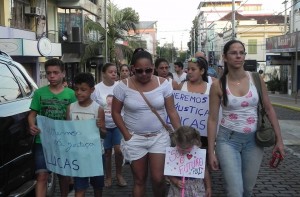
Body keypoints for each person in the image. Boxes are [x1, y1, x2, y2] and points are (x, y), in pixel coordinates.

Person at [207, 39, 285, 197]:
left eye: (241, 53)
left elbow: (269, 109)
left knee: (247, 190)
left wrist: (279, 140)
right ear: (225, 57)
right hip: (227, 140)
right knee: (235, 191)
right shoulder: (218, 85)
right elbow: (212, 119)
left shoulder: (255, 79)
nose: (238, 56)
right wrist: (211, 151)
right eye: (233, 53)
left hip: (254, 141)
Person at [111, 49, 181, 197]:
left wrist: (181, 134)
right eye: (139, 71)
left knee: (158, 178)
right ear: (132, 69)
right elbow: (115, 112)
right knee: (139, 180)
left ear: (153, 68)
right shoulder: (122, 86)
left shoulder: (164, 84)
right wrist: (127, 135)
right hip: (135, 138)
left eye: (148, 70)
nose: (144, 74)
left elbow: (172, 111)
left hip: (159, 137)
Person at [28, 58, 77, 197]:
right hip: (42, 141)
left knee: (64, 176)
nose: (52, 76)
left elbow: (75, 117)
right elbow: (32, 115)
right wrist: (32, 125)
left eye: (56, 72)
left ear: (63, 73)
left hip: (64, 142)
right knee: (42, 176)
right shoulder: (39, 93)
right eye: (49, 73)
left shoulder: (71, 94)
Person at [67, 73, 105, 197]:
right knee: (79, 189)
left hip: (96, 155)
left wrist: (100, 127)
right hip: (79, 155)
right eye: (76, 89)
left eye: (83, 89)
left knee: (97, 187)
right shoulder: (71, 108)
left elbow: (104, 134)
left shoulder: (98, 109)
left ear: (92, 90)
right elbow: (67, 131)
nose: (79, 92)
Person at [91, 62, 126, 188]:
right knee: (106, 152)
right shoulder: (96, 89)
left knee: (119, 151)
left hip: (118, 124)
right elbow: (93, 106)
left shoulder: (121, 86)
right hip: (103, 126)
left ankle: (119, 175)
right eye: (110, 72)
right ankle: (108, 177)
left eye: (115, 72)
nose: (113, 74)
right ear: (103, 74)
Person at [167, 126, 211, 197]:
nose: (183, 150)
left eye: (187, 148)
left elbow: (205, 171)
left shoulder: (198, 153)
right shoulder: (173, 153)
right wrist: (175, 181)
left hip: (196, 187)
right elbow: (168, 171)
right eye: (180, 147)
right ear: (176, 142)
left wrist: (208, 187)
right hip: (178, 187)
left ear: (193, 143)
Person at [178, 56, 210, 148]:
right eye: (188, 69)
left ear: (202, 71)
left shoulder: (211, 88)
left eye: (193, 69)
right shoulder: (180, 86)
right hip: (183, 135)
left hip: (205, 136)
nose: (190, 72)